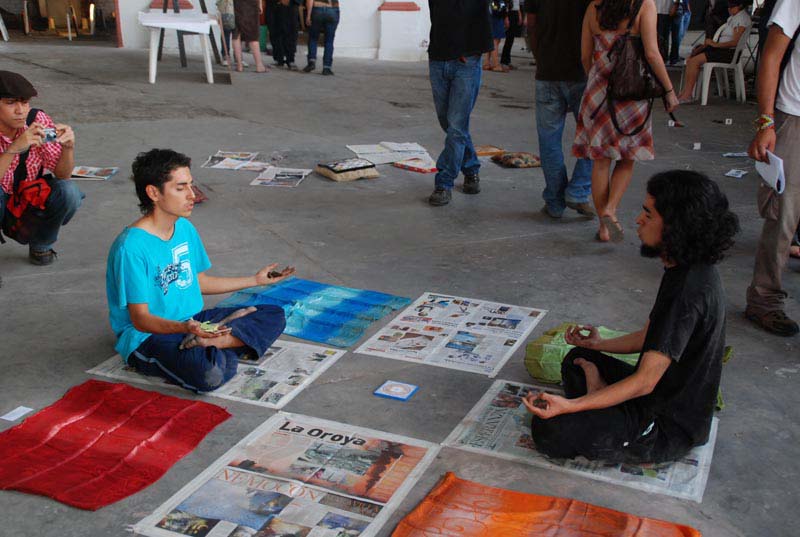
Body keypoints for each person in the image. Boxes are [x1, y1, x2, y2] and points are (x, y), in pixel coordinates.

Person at [523, 170, 739, 464]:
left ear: (676, 227)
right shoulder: (685, 268)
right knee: (576, 357)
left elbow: (644, 382)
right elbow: (651, 337)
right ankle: (601, 398)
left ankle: (601, 404)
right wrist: (597, 346)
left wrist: (572, 406)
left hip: (670, 424)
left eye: (648, 215)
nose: (638, 220)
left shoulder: (688, 291)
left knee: (549, 430)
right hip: (659, 395)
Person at [106, 149, 292, 392]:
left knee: (273, 314)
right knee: (209, 374)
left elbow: (199, 282)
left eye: (191, 186)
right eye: (181, 188)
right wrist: (185, 329)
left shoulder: (184, 228)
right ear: (154, 193)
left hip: (194, 323)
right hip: (149, 336)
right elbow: (140, 320)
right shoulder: (131, 247)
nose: (192, 195)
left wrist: (255, 280)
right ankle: (221, 345)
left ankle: (216, 343)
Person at [572, 0, 678, 242]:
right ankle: (611, 209)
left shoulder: (594, 7)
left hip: (598, 91)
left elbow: (585, 55)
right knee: (627, 156)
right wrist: (669, 90)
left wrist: (599, 77)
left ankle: (604, 227)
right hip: (631, 91)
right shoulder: (643, 5)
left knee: (600, 161)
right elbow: (651, 53)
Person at [746, 0, 800, 337]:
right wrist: (766, 121)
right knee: (783, 215)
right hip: (794, 114)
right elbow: (771, 55)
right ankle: (764, 299)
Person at [0, 70, 81, 266]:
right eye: (10, 103)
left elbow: (63, 174)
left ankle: (41, 244)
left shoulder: (37, 120)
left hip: (26, 200)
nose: (20, 110)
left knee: (68, 191)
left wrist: (68, 148)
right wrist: (14, 148)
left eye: (25, 102)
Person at [527, 0, 595, 219]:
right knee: (594, 138)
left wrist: (541, 60)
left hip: (548, 71)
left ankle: (555, 202)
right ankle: (577, 190)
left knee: (549, 142)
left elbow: (531, 24)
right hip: (582, 73)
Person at [427, 0, 494, 207]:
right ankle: (471, 167)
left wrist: (471, 50)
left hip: (466, 61)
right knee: (448, 122)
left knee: (456, 126)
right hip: (438, 57)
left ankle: (444, 183)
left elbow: (480, 18)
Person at [676, 0, 750, 103]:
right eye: (728, 6)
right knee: (691, 58)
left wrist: (716, 45)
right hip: (720, 49)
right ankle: (685, 92)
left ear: (740, 6)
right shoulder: (732, 17)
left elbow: (734, 42)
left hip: (728, 52)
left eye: (732, 7)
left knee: (694, 61)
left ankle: (688, 94)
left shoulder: (742, 19)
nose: (729, 9)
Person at [303, 0, 340, 75]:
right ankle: (327, 67)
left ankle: (311, 62)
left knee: (313, 38)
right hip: (332, 10)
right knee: (329, 40)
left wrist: (308, 15)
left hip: (317, 9)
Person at [233, 0, 268, 73]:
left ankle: (239, 65)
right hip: (250, 4)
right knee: (253, 34)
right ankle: (259, 65)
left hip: (236, 4)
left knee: (236, 34)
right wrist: (260, 3)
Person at [272, 0, 300, 69]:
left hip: (293, 5)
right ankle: (280, 59)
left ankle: (290, 59)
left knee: (292, 33)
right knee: (279, 33)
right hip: (280, 6)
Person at [485, 0, 509, 72]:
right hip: (496, 16)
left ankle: (486, 63)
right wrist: (505, 17)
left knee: (491, 41)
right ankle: (496, 65)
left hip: (492, 14)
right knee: (495, 41)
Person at [500, 0, 523, 70]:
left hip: (515, 13)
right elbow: (506, 4)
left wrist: (519, 15)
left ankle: (507, 60)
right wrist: (506, 17)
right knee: (509, 38)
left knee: (511, 38)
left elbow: (517, 4)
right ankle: (504, 61)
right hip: (510, 13)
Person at [668, 0, 691, 66]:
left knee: (680, 35)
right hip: (678, 8)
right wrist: (675, 6)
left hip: (685, 9)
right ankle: (673, 58)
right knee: (677, 36)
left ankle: (675, 55)